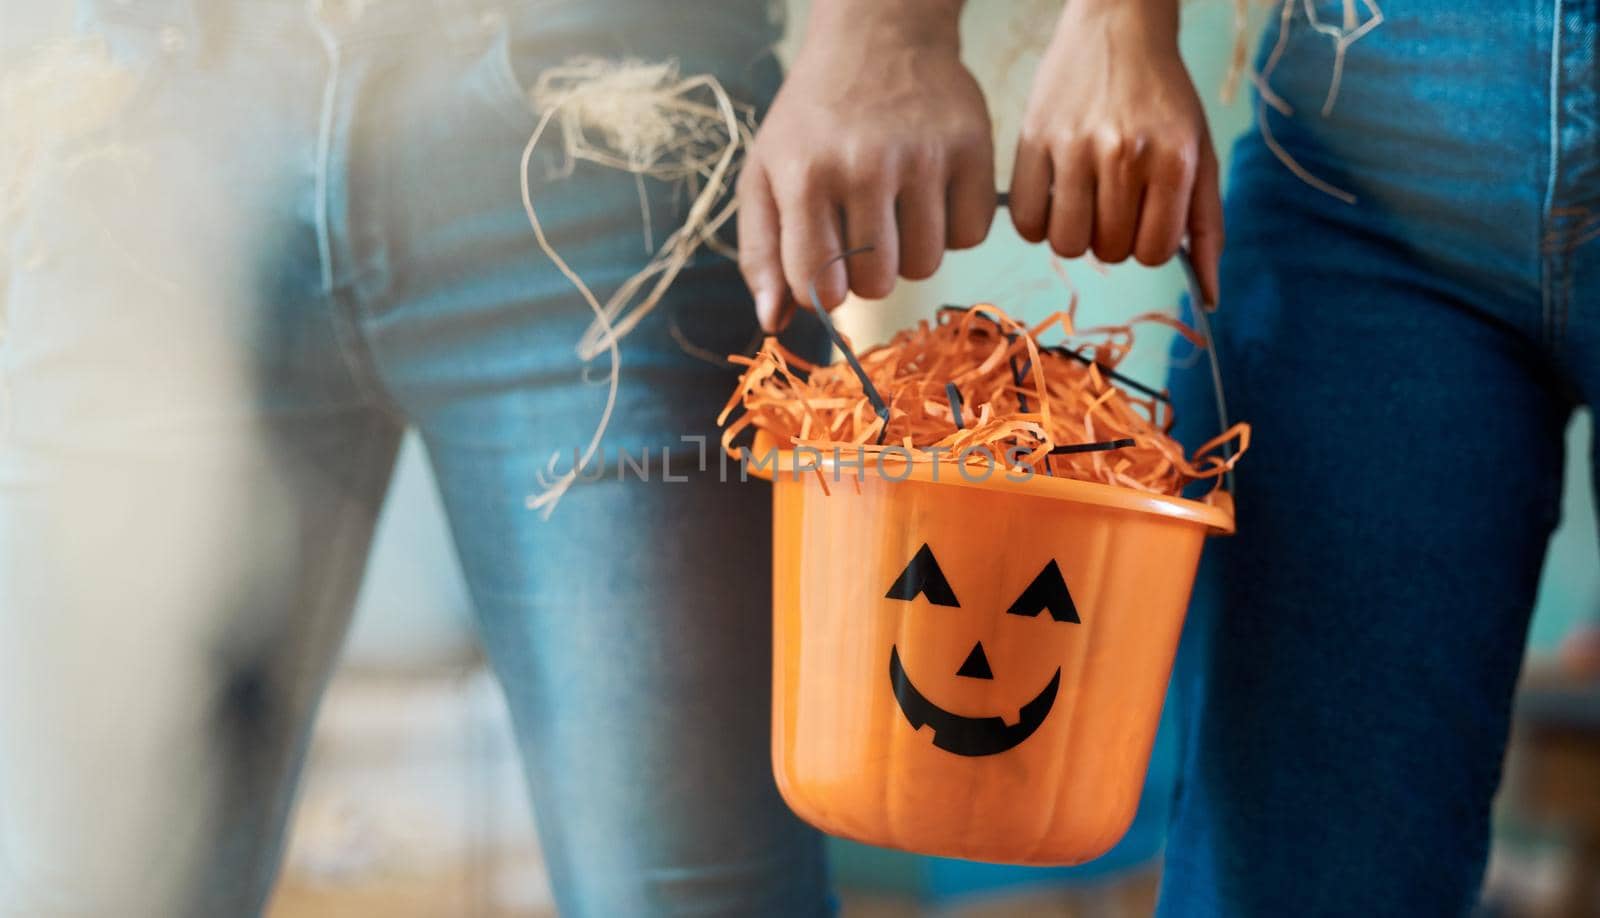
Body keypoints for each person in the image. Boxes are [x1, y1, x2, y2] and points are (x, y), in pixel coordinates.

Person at [0, 1, 832, 915]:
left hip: (602, 106)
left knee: (695, 897)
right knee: (75, 890)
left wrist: (883, 36)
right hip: (149, 121)